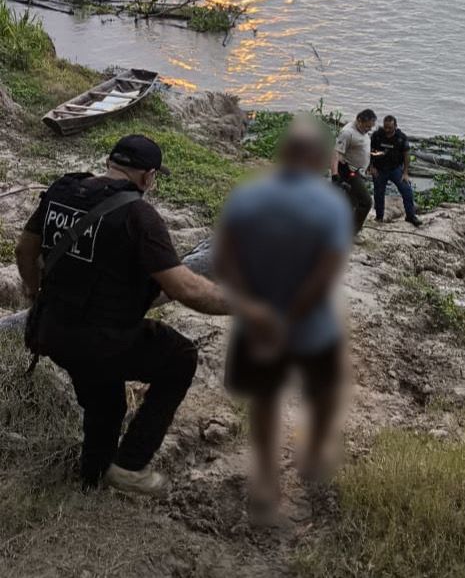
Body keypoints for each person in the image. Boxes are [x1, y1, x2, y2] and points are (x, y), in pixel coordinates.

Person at [15, 134, 274, 496]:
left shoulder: (63, 190)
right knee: (180, 357)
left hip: (52, 330)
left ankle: (92, 480)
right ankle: (130, 465)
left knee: (105, 403)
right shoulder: (138, 215)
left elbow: (24, 251)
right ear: (149, 177)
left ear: (110, 163)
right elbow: (187, 289)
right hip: (103, 338)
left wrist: (35, 292)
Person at [217, 116, 352, 521]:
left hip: (257, 324)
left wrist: (255, 311)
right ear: (318, 159)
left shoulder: (247, 196)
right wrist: (288, 318)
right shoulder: (331, 204)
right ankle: (314, 454)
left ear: (282, 154)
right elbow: (326, 273)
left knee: (265, 397)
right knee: (325, 390)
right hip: (312, 325)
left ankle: (264, 477)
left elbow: (225, 261)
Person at [369, 115, 422, 226]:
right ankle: (379, 217)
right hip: (379, 169)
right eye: (385, 127)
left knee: (407, 190)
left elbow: (406, 154)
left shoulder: (401, 138)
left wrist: (405, 172)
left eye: (390, 128)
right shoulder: (377, 136)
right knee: (379, 194)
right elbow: (368, 151)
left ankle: (410, 216)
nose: (387, 130)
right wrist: (371, 167)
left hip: (395, 169)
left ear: (395, 126)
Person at [331, 109, 377, 234]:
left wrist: (369, 165)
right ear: (359, 120)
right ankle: (353, 232)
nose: (369, 129)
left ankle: (340, 227)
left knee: (351, 202)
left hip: (360, 172)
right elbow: (335, 153)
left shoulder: (362, 130)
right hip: (350, 172)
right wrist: (335, 175)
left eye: (371, 127)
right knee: (366, 202)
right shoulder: (347, 133)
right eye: (367, 126)